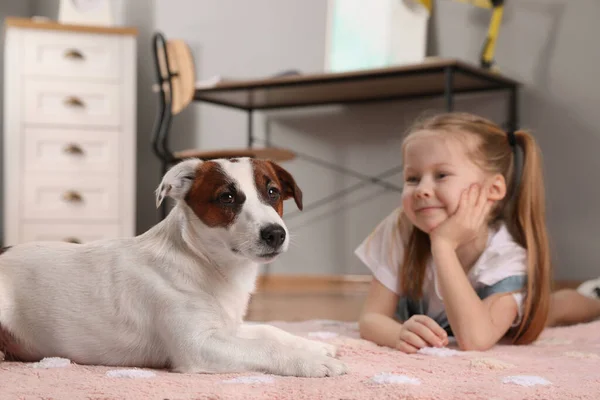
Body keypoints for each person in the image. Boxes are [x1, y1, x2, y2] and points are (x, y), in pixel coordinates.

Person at [355, 112, 600, 353]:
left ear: (493, 188)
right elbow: (371, 317)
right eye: (412, 178)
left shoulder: (506, 256)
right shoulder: (400, 228)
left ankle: (595, 298)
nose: (422, 189)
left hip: (505, 315)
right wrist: (397, 334)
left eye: (441, 175)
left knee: (554, 308)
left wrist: (442, 245)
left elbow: (475, 339)